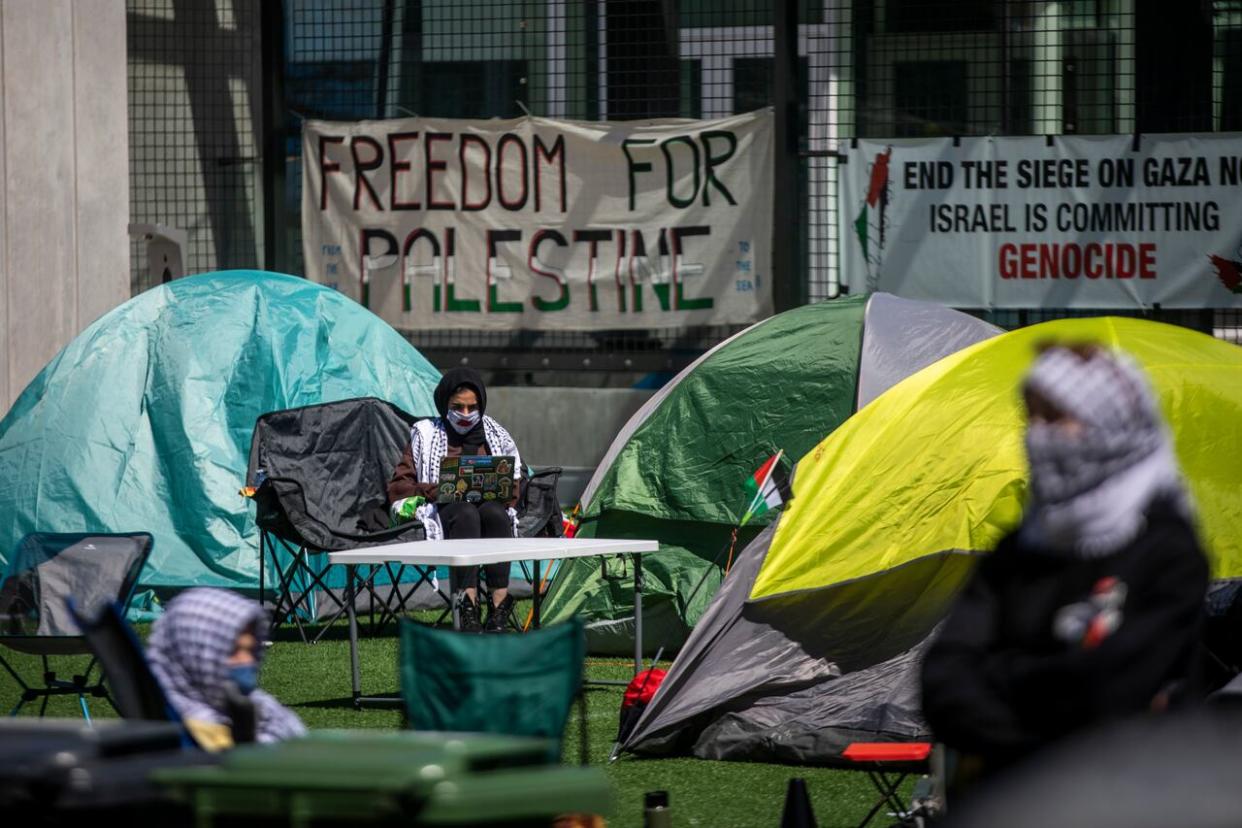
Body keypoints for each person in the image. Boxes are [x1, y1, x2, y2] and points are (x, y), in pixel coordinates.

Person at [921, 342, 1209, 779]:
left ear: (1107, 425)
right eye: (1030, 418)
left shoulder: (1167, 550)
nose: (1037, 435)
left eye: (1055, 418)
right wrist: (1043, 704)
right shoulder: (1019, 550)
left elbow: (1114, 688)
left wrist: (999, 674)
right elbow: (944, 676)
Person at [388, 366, 522, 632]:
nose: (465, 414)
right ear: (444, 403)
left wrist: (500, 488)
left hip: (489, 504)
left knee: (495, 514)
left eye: (472, 407)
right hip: (445, 509)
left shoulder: (495, 434)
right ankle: (468, 603)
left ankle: (499, 605)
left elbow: (515, 480)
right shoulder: (425, 434)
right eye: (457, 407)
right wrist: (441, 489)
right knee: (465, 513)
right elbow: (401, 485)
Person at [146, 588, 306, 749]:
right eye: (233, 651)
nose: (247, 661)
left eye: (250, 650)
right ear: (192, 652)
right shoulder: (182, 736)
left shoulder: (261, 709)